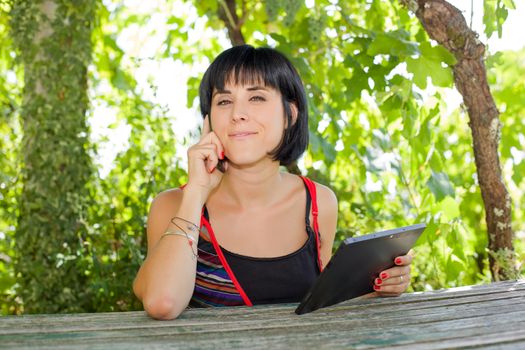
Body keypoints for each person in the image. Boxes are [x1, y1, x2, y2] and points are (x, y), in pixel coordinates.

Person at [132, 45, 413, 320]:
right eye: (224, 101)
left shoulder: (318, 203)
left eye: (256, 98)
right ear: (208, 121)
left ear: (290, 114)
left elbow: (321, 300)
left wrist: (378, 285)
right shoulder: (173, 205)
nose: (237, 114)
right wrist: (196, 193)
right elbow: (162, 302)